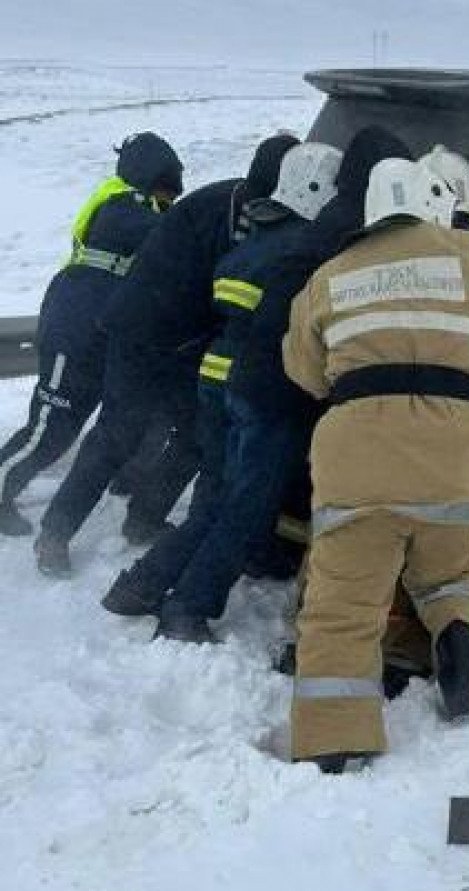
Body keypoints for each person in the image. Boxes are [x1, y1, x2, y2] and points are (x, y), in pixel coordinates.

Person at [284, 157, 469, 773]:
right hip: (455, 447)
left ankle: (338, 738)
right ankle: (456, 641)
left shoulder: (330, 275)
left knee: (343, 599)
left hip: (359, 448)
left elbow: (304, 372)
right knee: (449, 572)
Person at [100, 142, 343, 643]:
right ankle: (188, 607)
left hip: (216, 377)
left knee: (212, 498)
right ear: (320, 189)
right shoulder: (307, 248)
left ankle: (141, 584)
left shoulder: (256, 236)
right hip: (263, 390)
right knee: (245, 508)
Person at [33, 134, 298, 577]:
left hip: (186, 342)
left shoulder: (250, 206)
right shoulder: (221, 210)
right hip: (141, 332)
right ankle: (54, 534)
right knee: (116, 434)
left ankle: (145, 517)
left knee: (195, 436)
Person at [0, 133, 183, 536]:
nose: (169, 200)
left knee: (130, 415)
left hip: (99, 330)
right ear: (153, 175)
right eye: (167, 189)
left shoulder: (136, 206)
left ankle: (128, 476)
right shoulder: (121, 205)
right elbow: (173, 237)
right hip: (75, 330)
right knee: (51, 428)